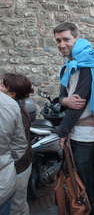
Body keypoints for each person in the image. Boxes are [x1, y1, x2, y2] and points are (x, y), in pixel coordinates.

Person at [53, 22, 94, 215]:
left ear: (77, 39)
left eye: (66, 39)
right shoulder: (70, 64)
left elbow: (78, 104)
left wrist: (62, 132)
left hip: (87, 136)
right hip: (80, 134)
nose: (61, 44)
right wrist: (63, 101)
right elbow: (62, 94)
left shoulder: (86, 65)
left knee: (87, 182)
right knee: (88, 179)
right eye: (58, 40)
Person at [0, 73, 34, 215]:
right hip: (18, 165)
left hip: (18, 168)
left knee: (16, 207)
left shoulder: (15, 112)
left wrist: (8, 161)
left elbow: (18, 146)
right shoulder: (14, 109)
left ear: (12, 94)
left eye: (2, 85)